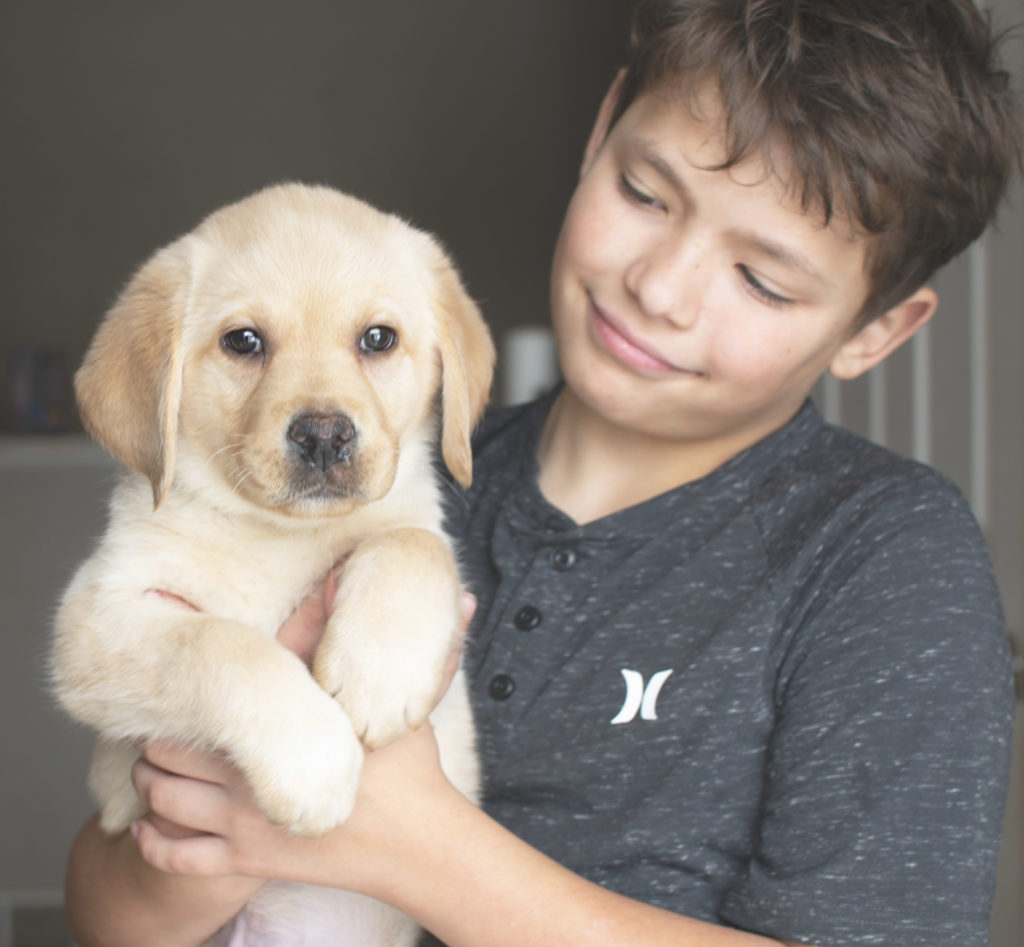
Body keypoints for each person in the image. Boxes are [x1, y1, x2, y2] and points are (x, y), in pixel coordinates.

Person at [64, 1, 1021, 944]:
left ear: (875, 332)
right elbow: (107, 908)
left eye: (761, 279)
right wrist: (219, 822)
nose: (660, 288)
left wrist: (415, 846)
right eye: (645, 193)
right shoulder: (403, 478)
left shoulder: (885, 561)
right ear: (602, 129)